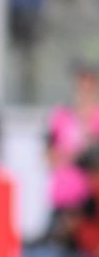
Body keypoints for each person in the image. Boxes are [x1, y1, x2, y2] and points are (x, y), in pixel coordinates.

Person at [47, 64, 99, 210]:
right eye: (82, 87)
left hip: (90, 196)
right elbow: (49, 156)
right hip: (63, 193)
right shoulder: (61, 116)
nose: (85, 92)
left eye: (89, 88)